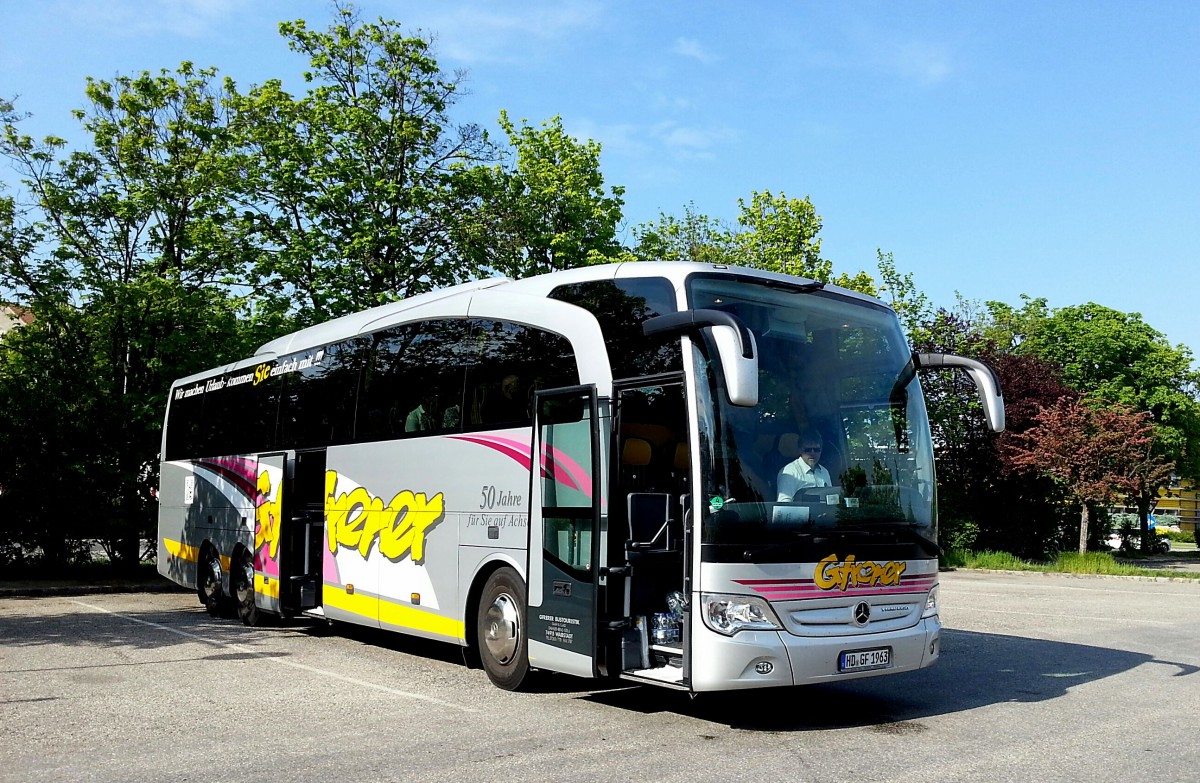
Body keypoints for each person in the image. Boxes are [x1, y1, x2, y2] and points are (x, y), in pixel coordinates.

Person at [776, 429, 832, 501]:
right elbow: (784, 505)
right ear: (800, 450)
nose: (812, 453)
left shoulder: (825, 472)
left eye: (816, 450)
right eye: (808, 450)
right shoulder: (789, 472)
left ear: (821, 451)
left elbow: (831, 499)